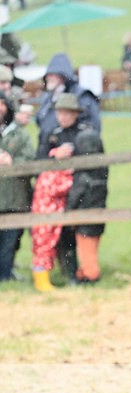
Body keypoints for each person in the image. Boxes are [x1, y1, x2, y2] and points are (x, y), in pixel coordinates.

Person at [30, 93, 96, 292]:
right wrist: (55, 156)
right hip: (53, 195)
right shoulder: (52, 133)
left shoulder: (85, 133)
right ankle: (59, 275)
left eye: (67, 112)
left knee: (73, 235)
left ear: (75, 113)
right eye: (60, 112)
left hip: (78, 191)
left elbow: (92, 159)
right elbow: (38, 161)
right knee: (52, 235)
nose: (63, 117)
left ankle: (76, 274)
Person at [65, 127, 108, 284]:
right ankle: (83, 273)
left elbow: (76, 195)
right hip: (98, 218)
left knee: (86, 251)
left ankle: (91, 276)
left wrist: (68, 210)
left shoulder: (82, 174)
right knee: (92, 249)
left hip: (83, 221)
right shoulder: (102, 169)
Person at [0, 91, 34, 282]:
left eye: (2, 104)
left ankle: (5, 277)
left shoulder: (20, 135)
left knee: (11, 241)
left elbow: (30, 158)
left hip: (15, 196)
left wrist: (12, 161)